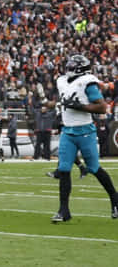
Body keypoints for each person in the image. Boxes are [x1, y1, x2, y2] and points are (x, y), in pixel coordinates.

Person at [51, 55, 118, 222]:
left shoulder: (88, 81)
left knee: (94, 168)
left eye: (73, 65)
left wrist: (81, 106)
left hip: (86, 132)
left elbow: (102, 107)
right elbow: (63, 102)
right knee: (64, 169)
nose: (69, 68)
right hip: (68, 131)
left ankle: (115, 199)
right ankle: (63, 211)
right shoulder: (62, 81)